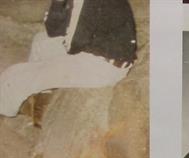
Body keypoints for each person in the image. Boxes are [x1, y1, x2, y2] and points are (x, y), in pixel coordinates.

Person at [0, 0, 137, 117]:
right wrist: (59, 3)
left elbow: (74, 43)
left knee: (14, 76)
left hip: (103, 67)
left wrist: (49, 65)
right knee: (41, 41)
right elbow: (53, 31)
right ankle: (41, 96)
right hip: (95, 51)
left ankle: (8, 107)